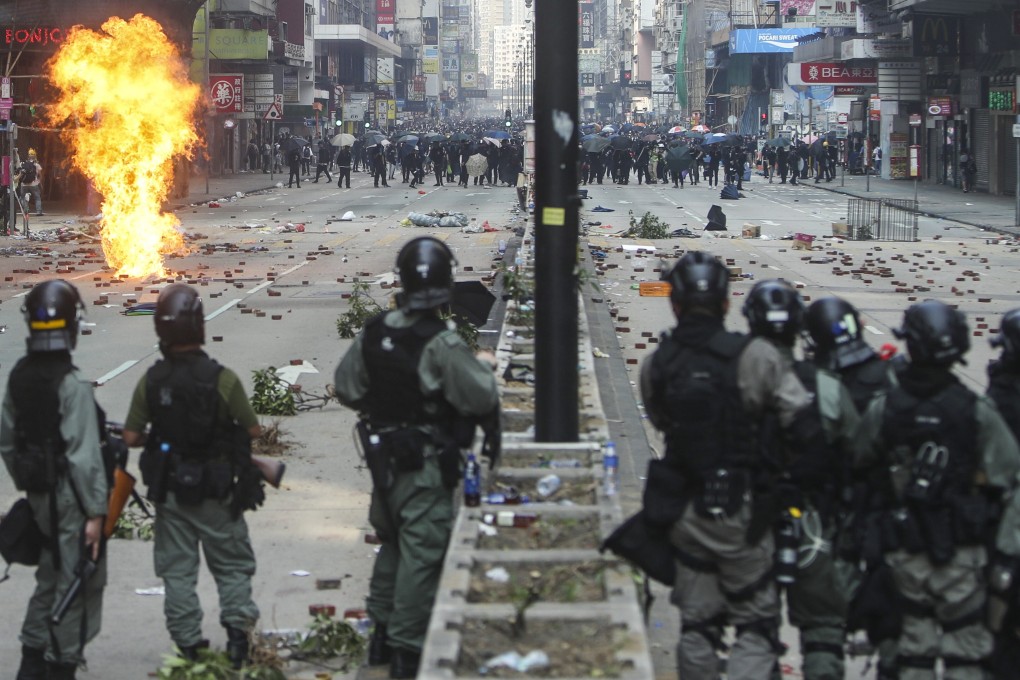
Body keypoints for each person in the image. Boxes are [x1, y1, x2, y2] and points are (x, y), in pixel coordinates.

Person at [639, 251, 827, 680]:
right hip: (747, 511)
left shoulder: (658, 364)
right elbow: (803, 425)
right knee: (756, 626)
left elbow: (660, 420)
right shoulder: (756, 357)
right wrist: (787, 487)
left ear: (674, 303)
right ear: (727, 303)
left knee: (698, 626)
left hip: (687, 509)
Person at [334, 236, 499, 679]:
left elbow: (347, 387)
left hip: (383, 462)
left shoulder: (375, 331)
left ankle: (380, 637)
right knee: (422, 554)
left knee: (393, 545)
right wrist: (483, 364)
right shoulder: (441, 342)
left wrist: (385, 406)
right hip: (423, 467)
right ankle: (406, 652)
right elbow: (481, 397)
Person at [855, 300, 1020, 680]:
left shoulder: (885, 408)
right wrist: (1004, 552)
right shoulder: (977, 411)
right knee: (965, 655)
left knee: (913, 653)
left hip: (903, 552)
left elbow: (859, 460)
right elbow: (1008, 479)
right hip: (962, 556)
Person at [121, 284, 264, 669]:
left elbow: (131, 437)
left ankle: (188, 648)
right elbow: (253, 430)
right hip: (217, 490)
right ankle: (239, 641)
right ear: (200, 325)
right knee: (232, 566)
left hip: (171, 492)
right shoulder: (223, 379)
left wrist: (158, 435)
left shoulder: (151, 381)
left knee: (178, 572)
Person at [743, 280, 857, 680]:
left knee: (754, 632)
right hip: (815, 521)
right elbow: (857, 450)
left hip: (752, 520)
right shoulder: (826, 385)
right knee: (823, 630)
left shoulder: (735, 380)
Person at [1, 280, 108, 680]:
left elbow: (7, 441)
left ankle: (31, 660)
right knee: (79, 582)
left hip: (41, 496)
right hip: (72, 500)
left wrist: (31, 484)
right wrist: (95, 514)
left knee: (51, 573)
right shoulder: (71, 384)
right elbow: (84, 457)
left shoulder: (19, 377)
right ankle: (60, 664)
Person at [18, 148, 43, 216]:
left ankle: (26, 210)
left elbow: (20, 173)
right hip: (34, 184)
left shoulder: (23, 164)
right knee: (37, 198)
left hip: (24, 184)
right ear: (35, 156)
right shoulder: (37, 165)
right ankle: (38, 211)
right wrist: (40, 182)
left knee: (23, 197)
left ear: (28, 156)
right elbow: (40, 175)